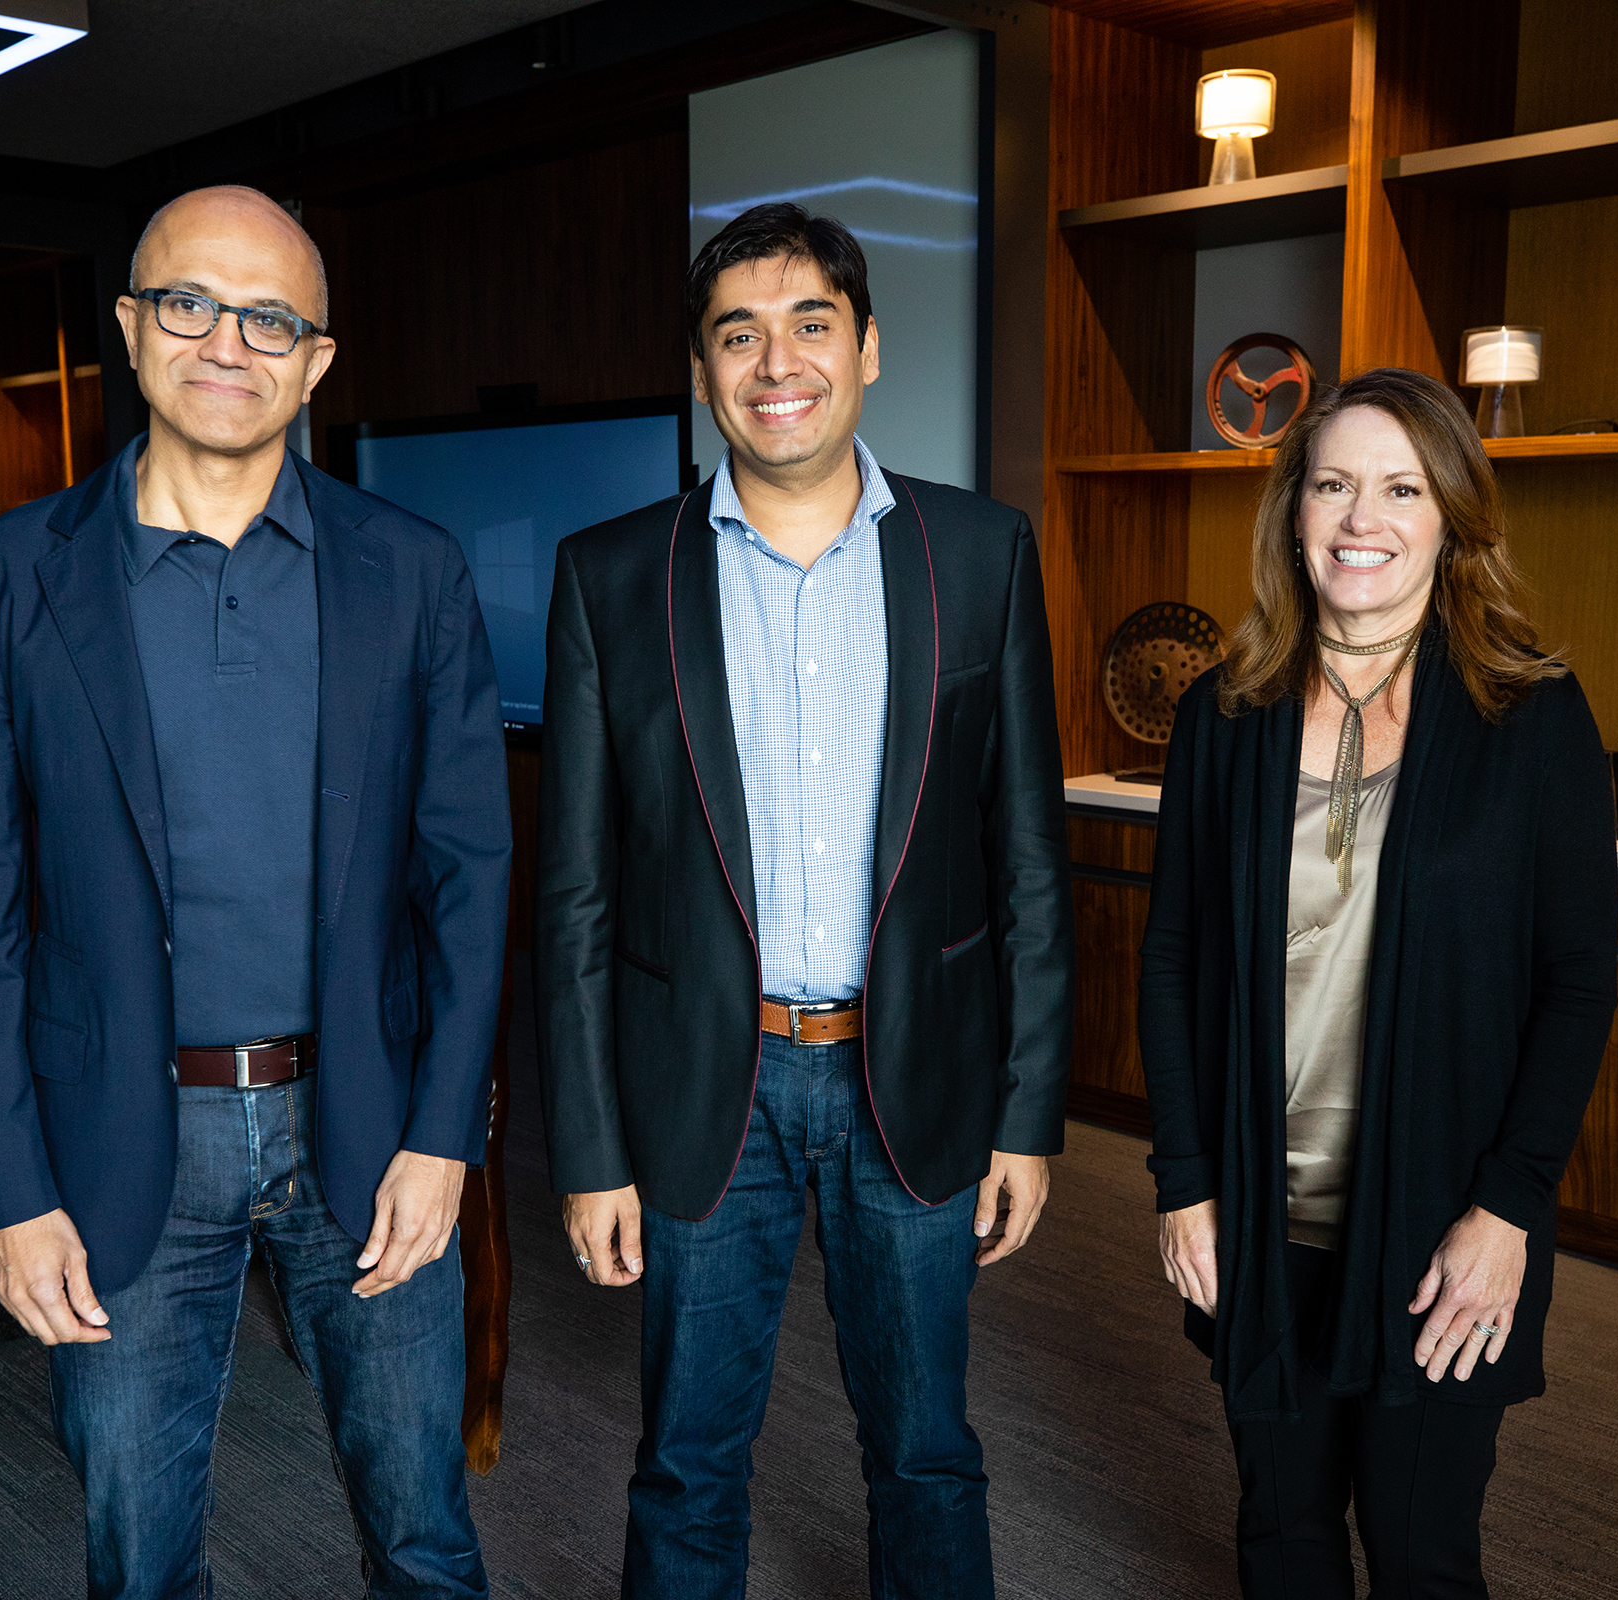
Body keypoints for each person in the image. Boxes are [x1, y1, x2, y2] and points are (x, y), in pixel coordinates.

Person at [0, 184, 510, 1600]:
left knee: (423, 1529)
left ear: (315, 360)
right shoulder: (3, 582)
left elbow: (473, 881)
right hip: (122, 1136)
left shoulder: (413, 574)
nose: (225, 341)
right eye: (189, 302)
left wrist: (448, 1140)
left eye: (268, 318)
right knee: (138, 1552)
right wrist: (9, 1192)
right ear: (131, 330)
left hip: (367, 1133)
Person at [533, 202, 1074, 1600]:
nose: (777, 361)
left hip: (919, 1079)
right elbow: (578, 896)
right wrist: (589, 1149)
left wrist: (1029, 1111)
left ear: (869, 349)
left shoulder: (982, 554)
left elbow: (1025, 861)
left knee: (927, 1451)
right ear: (706, 370)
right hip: (709, 1087)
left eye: (810, 324)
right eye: (739, 333)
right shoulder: (608, 576)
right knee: (688, 1459)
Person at [1140, 366, 1618, 1596]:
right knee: (1282, 1538)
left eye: (1401, 488)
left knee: (1420, 1550)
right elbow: (1175, 957)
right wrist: (1185, 1179)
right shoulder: (1224, 715)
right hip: (1261, 1209)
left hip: (1442, 1225)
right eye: (1335, 484)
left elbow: (1576, 983)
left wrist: (1508, 1210)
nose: (1363, 519)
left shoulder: (1534, 718)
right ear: (1294, 512)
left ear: (1451, 518)